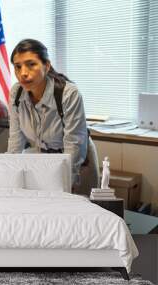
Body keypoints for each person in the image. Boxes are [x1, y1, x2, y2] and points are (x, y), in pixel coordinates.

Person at [7, 39, 98, 192]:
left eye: (31, 64)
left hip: (79, 163)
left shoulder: (68, 93)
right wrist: (8, 175)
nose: (23, 73)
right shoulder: (16, 93)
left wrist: (67, 182)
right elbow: (15, 142)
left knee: (75, 209)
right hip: (44, 160)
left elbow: (74, 145)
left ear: (47, 66)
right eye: (18, 67)